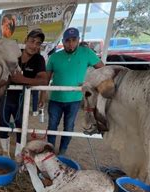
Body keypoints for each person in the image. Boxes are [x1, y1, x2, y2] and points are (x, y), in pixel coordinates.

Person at [42, 27, 104, 156]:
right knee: (52, 126)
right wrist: (42, 95)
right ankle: (50, 151)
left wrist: (91, 84)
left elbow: (102, 69)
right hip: (55, 99)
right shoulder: (54, 57)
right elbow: (46, 79)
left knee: (69, 127)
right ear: (63, 41)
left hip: (74, 99)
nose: (70, 43)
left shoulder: (86, 53)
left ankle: (62, 152)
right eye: (67, 40)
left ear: (78, 40)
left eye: (74, 40)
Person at [0, 29, 49, 157]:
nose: (34, 46)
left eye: (38, 43)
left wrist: (22, 80)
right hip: (5, 97)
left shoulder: (39, 59)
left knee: (21, 126)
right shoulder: (14, 55)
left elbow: (43, 80)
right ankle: (5, 153)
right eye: (32, 41)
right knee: (3, 124)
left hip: (22, 99)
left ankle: (18, 156)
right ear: (26, 40)